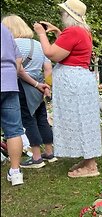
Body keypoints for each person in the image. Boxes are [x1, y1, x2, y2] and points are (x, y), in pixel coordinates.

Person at [33, 0, 102, 178]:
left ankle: (91, 165)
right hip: (80, 79)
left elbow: (52, 53)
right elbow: (69, 49)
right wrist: (57, 32)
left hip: (73, 82)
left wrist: (41, 34)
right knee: (83, 120)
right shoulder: (83, 31)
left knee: (80, 120)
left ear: (68, 15)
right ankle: (88, 160)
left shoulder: (73, 31)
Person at [2, 15, 56, 169]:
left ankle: (37, 157)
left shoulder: (13, 44)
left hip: (24, 86)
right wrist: (46, 86)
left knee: (28, 119)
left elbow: (19, 70)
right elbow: (47, 68)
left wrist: (35, 83)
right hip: (40, 87)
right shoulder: (39, 44)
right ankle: (49, 152)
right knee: (42, 118)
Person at [1, 24, 25, 185]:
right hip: (9, 83)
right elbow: (18, 58)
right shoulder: (4, 30)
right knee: (14, 130)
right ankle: (16, 172)